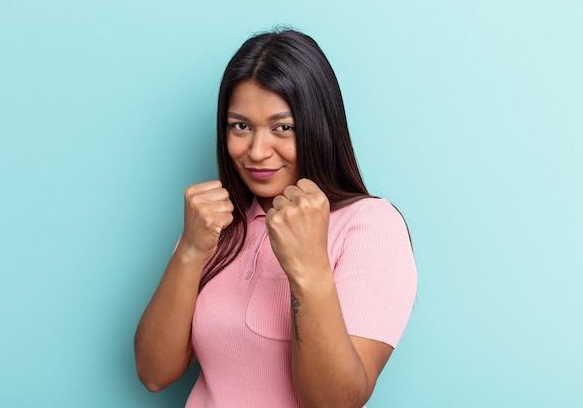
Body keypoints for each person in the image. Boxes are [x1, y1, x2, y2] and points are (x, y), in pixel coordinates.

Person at [134, 29, 417, 408]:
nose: (257, 151)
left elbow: (335, 403)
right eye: (241, 126)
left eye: (282, 127)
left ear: (318, 126)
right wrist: (189, 248)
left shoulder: (369, 227)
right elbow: (155, 373)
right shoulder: (217, 224)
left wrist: (309, 266)